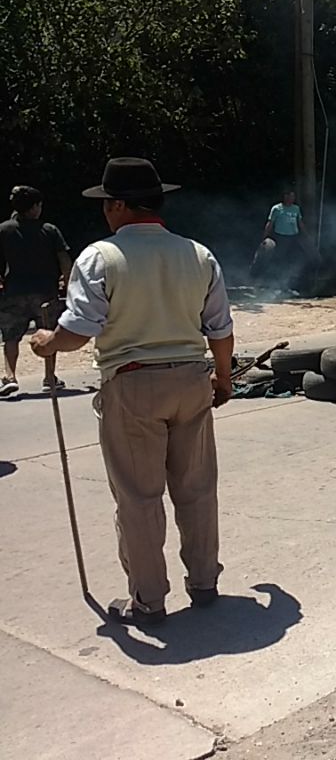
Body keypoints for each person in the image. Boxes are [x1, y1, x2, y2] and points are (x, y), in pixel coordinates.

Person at [31, 158, 234, 625]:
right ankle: (204, 582)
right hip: (190, 378)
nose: (106, 213)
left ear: (119, 206)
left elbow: (79, 330)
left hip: (134, 382)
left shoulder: (100, 258)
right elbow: (220, 328)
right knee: (197, 488)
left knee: (140, 498)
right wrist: (222, 379)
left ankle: (148, 599)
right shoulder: (198, 254)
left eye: (108, 204)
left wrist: (47, 342)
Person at [1, 185, 72, 396]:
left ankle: (10, 376)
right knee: (48, 335)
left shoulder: (4, 230)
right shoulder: (49, 230)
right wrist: (68, 283)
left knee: (11, 337)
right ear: (34, 207)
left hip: (13, 291)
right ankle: (50, 377)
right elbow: (64, 259)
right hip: (45, 292)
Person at [263, 189, 306, 284]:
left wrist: (305, 234)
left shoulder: (296, 208)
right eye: (291, 196)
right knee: (280, 259)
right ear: (285, 197)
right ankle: (277, 280)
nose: (292, 198)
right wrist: (265, 236)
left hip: (294, 236)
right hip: (281, 237)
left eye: (293, 196)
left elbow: (300, 222)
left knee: (294, 258)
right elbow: (270, 223)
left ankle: (293, 280)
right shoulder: (277, 209)